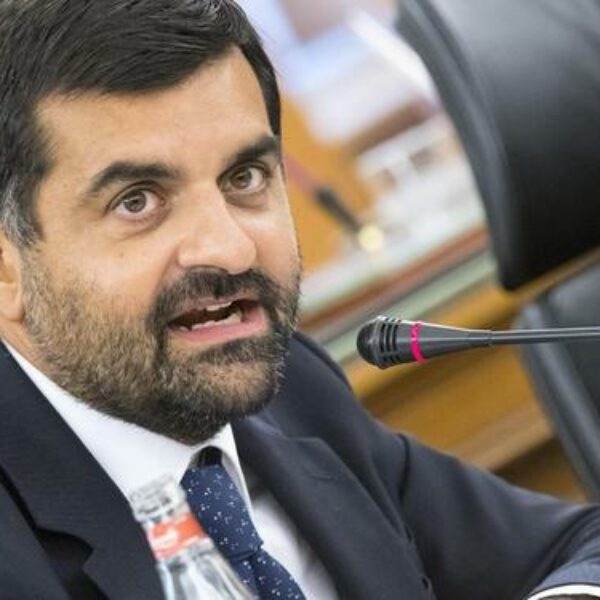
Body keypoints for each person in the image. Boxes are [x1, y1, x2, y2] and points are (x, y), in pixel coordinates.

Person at [0, 1, 598, 599]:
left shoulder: (295, 392)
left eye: (244, 177)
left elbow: (575, 547)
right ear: (8, 268)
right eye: (138, 201)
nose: (232, 249)